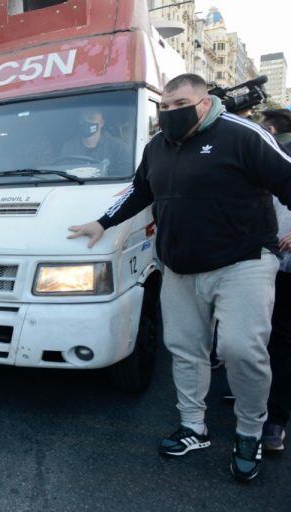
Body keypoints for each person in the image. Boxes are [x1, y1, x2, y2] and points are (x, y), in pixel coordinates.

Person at [67, 74, 291, 482]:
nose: (170, 111)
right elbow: (140, 192)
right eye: (165, 105)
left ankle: (249, 431)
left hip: (243, 262)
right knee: (186, 350)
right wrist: (101, 223)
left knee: (241, 349)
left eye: (179, 103)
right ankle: (194, 427)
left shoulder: (243, 135)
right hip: (180, 267)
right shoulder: (157, 147)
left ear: (204, 103)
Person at [261, 108, 291, 452]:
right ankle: (257, 396)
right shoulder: (260, 155)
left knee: (282, 340)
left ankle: (276, 419)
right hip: (261, 257)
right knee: (261, 335)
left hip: (286, 265)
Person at [59, 108, 132, 176]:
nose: (86, 122)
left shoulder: (117, 146)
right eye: (82, 119)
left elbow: (126, 175)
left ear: (102, 123)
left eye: (91, 118)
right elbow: (62, 173)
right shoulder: (69, 146)